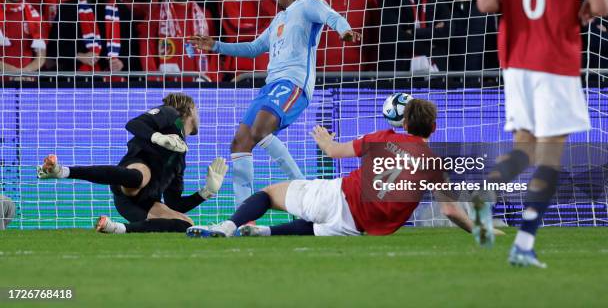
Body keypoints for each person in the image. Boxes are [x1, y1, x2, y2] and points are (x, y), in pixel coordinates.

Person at [475, 0, 608, 267]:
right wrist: (580, 7)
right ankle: (524, 243)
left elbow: (484, 2)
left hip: (516, 61)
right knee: (549, 153)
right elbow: (600, 6)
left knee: (524, 146)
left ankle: (488, 187)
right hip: (557, 61)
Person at [189, 0, 360, 207]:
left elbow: (332, 16)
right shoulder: (280, 18)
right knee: (240, 141)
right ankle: (242, 213)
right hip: (271, 86)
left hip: (293, 83)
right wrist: (216, 46)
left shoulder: (309, 3)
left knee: (260, 130)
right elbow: (253, 48)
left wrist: (345, 31)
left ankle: (305, 192)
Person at [186, 99, 475, 238]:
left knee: (269, 194)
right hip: (357, 227)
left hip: (338, 196)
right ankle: (263, 233)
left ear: (405, 124)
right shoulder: (435, 164)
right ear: (434, 128)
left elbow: (334, 152)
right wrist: (480, 232)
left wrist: (325, 140)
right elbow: (450, 211)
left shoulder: (381, 138)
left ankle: (227, 226)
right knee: (313, 228)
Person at [36, 93, 228, 234]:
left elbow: (174, 203)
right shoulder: (170, 115)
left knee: (186, 224)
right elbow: (134, 124)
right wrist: (158, 137)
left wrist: (206, 192)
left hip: (139, 205)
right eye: (198, 111)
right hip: (131, 176)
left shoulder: (180, 157)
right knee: (141, 177)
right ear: (191, 110)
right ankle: (62, 171)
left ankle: (116, 228)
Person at [47, 0, 135, 73]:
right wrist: (79, 56)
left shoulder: (123, 11)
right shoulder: (68, 8)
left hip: (114, 79)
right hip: (77, 76)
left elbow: (133, 47)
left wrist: (122, 62)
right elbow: (54, 47)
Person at [138, 0, 217, 82]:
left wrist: (212, 79)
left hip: (201, 84)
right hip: (167, 85)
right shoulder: (155, 15)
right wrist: (153, 81)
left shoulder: (205, 15)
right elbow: (146, 51)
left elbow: (214, 51)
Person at [379, 0, 451, 73]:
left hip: (434, 66)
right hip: (401, 66)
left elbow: (447, 32)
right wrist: (429, 46)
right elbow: (393, 36)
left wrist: (413, 32)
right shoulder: (391, 0)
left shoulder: (436, 0)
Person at [219, 0, 277, 80]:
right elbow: (235, 30)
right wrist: (270, 28)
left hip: (275, 68)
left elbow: (287, 26)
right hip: (239, 70)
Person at [439, 0, 498, 71]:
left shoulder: (483, 7)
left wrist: (491, 74)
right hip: (445, 77)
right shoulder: (437, 6)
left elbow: (491, 43)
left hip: (477, 76)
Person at [0, 0, 45, 75]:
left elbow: (41, 55)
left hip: (27, 81)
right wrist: (13, 72)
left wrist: (25, 72)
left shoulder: (34, 15)